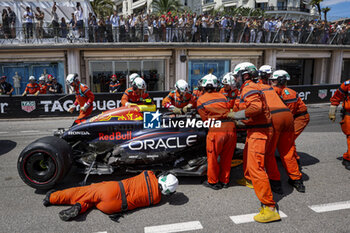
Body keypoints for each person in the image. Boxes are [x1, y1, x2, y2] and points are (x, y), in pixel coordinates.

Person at [228, 62, 280, 223]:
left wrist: (236, 116)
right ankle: (250, 181)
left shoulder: (249, 88)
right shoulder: (251, 87)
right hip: (256, 129)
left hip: (260, 132)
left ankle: (269, 207)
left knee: (257, 168)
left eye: (237, 76)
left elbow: (256, 108)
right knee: (250, 163)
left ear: (245, 75)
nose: (235, 79)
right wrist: (243, 121)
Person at [42, 171, 178, 221]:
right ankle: (79, 206)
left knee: (81, 192)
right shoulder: (157, 199)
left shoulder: (148, 174)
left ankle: (51, 197)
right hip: (113, 208)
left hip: (113, 190)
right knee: (91, 202)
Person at [256, 65, 305, 194]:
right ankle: (297, 180)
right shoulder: (285, 91)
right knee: (288, 151)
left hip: (275, 119)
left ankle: (275, 183)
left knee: (269, 153)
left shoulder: (258, 88)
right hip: (288, 118)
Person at [197, 74, 236, 190]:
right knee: (227, 157)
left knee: (213, 157)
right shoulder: (223, 96)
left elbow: (205, 120)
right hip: (231, 127)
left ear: (203, 87)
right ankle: (225, 181)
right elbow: (228, 110)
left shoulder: (201, 99)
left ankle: (213, 182)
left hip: (216, 129)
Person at [269, 70, 310, 164]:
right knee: (287, 138)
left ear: (281, 81)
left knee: (288, 138)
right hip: (293, 117)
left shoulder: (288, 93)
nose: (271, 82)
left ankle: (294, 159)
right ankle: (291, 157)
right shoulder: (279, 91)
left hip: (300, 118)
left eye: (273, 80)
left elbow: (289, 113)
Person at [329, 78, 350, 170]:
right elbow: (337, 97)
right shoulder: (347, 84)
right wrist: (332, 112)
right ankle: (348, 159)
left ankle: (347, 157)